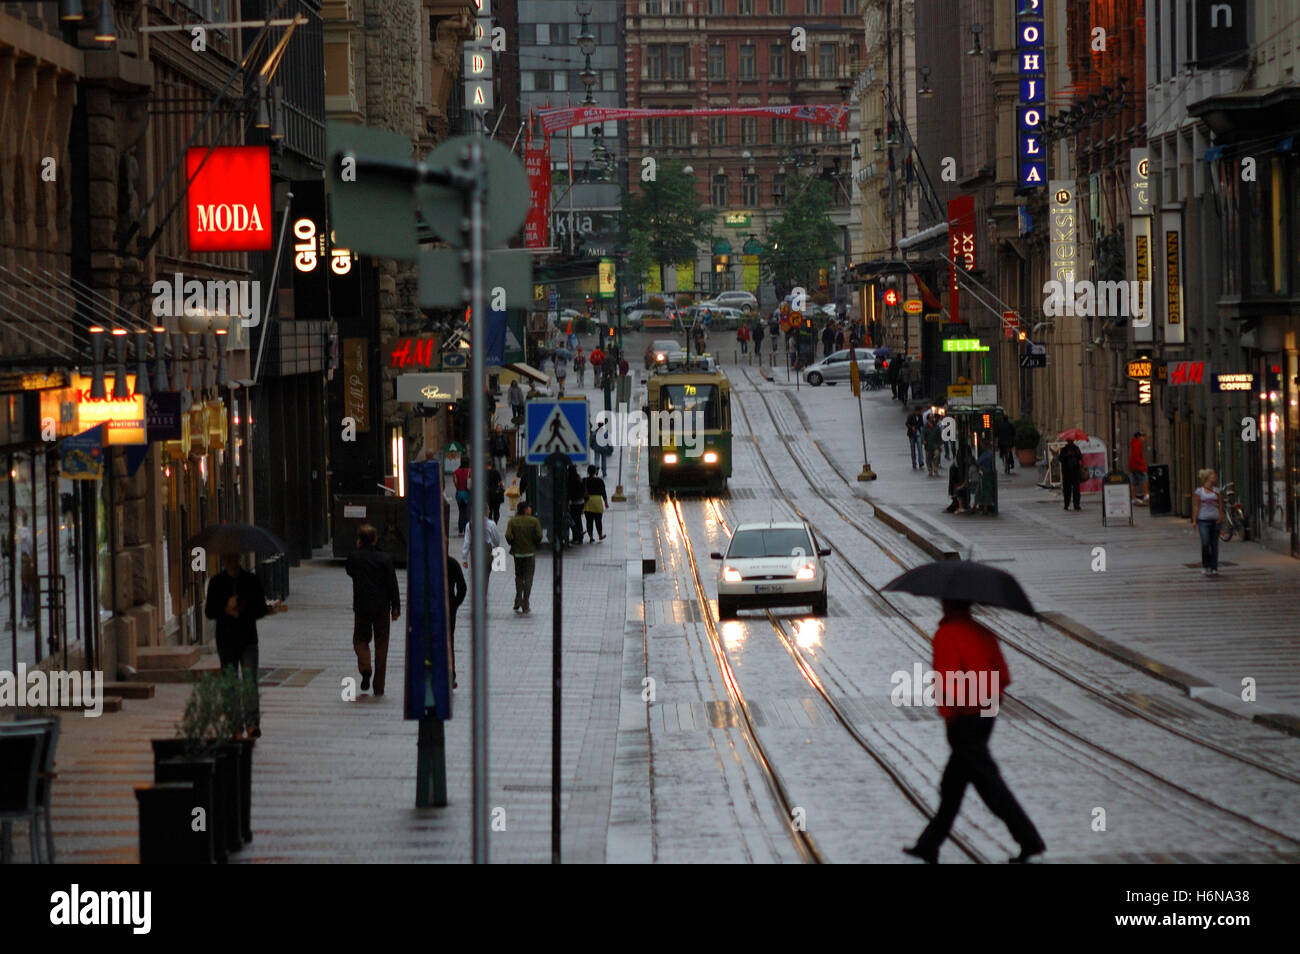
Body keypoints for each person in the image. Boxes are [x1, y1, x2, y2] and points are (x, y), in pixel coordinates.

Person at [903, 599, 1046, 864]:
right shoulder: (983, 632)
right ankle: (928, 844)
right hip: (985, 714)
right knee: (953, 785)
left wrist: (952, 716)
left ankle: (1029, 840)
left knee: (989, 784)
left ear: (946, 606)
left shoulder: (946, 634)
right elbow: (1003, 675)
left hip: (964, 718)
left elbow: (947, 680)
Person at [204, 552, 284, 734]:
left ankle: (252, 723)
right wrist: (226, 608)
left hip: (248, 638)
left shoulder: (251, 580)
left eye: (234, 558)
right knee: (230, 682)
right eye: (228, 558)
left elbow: (260, 610)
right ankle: (234, 724)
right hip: (226, 640)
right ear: (223, 559)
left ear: (239, 558)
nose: (231, 561)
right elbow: (209, 611)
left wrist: (242, 608)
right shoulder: (216, 583)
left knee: (249, 681)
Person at [344, 524, 401, 697]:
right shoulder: (384, 559)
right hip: (382, 608)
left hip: (361, 608)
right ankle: (378, 687)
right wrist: (396, 607)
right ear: (375, 539)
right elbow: (392, 583)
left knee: (360, 640)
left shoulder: (354, 558)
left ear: (359, 540)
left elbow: (350, 571)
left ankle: (365, 666)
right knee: (382, 646)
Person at [505, 500, 543, 615]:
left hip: (517, 553)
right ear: (526, 509)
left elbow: (508, 535)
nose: (531, 510)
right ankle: (525, 602)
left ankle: (518, 599)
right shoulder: (534, 521)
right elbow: (539, 536)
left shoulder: (512, 521)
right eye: (529, 508)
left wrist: (513, 543)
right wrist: (534, 544)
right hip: (530, 553)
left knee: (519, 576)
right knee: (528, 577)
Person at [461, 505, 503, 602]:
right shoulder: (491, 524)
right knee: (485, 574)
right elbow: (496, 540)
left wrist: (464, 558)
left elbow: (467, 542)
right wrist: (496, 546)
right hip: (486, 550)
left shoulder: (470, 524)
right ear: (486, 511)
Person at [1192, 468, 1225, 576]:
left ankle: (1214, 567)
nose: (1214, 477)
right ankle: (1205, 565)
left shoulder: (1217, 491)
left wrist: (1220, 516)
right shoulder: (1199, 491)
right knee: (1205, 542)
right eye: (1212, 475)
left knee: (1214, 544)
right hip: (1203, 520)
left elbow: (1220, 505)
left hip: (1215, 520)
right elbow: (1196, 506)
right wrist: (1194, 520)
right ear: (1207, 477)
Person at [446, 553, 465, 688]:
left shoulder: (426, 561)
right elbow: (462, 587)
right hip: (449, 607)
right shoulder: (452, 563)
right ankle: (450, 674)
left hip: (429, 608)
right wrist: (456, 604)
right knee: (448, 641)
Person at [583, 465, 610, 542]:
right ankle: (600, 535)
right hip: (597, 501)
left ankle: (591, 537)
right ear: (595, 472)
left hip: (587, 502)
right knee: (598, 520)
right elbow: (603, 492)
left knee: (589, 521)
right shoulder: (599, 481)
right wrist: (606, 502)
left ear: (588, 472)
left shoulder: (584, 480)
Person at [1059, 438, 1083, 511]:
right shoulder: (1064, 449)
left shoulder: (1076, 448)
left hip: (1075, 472)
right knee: (1067, 489)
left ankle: (1077, 504)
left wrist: (1076, 453)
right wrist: (1067, 455)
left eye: (1071, 441)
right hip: (1067, 472)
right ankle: (1066, 504)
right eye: (1069, 441)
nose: (1070, 442)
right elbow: (1060, 459)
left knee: (1076, 489)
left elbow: (1080, 457)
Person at [567, 462, 586, 545]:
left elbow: (569, 492)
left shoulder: (569, 480)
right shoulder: (578, 478)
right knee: (578, 520)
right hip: (581, 502)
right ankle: (579, 537)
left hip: (573, 503)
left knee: (573, 520)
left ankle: (576, 537)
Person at [1129, 430, 1148, 505]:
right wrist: (1142, 464)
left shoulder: (1133, 442)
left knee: (1134, 482)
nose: (1144, 438)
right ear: (1139, 437)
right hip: (1138, 465)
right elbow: (1137, 455)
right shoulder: (1138, 443)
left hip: (1133, 465)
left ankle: (1133, 498)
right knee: (1144, 478)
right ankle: (1146, 494)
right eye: (1143, 436)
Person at [453, 458, 472, 535]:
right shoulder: (470, 471)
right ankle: (466, 530)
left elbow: (455, 482)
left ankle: (460, 530)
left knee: (461, 511)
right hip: (468, 493)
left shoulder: (456, 471)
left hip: (459, 494)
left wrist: (458, 488)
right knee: (468, 512)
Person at [905, 406, 924, 470]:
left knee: (920, 448)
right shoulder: (910, 416)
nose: (920, 412)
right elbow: (907, 423)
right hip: (911, 434)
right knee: (912, 449)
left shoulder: (920, 416)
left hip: (918, 433)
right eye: (920, 411)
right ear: (916, 411)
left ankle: (921, 462)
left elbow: (921, 424)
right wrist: (911, 427)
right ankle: (914, 462)